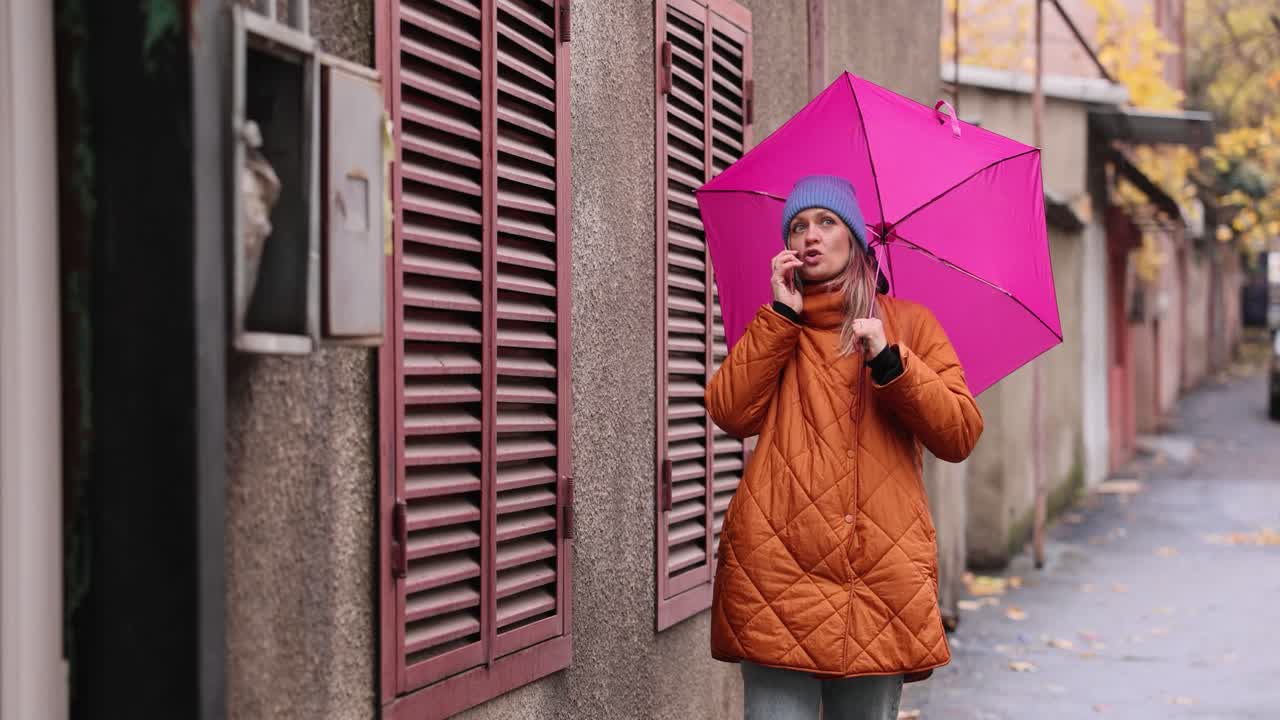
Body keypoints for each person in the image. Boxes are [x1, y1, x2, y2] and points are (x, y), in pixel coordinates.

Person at [705, 175, 984, 719]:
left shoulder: (909, 325)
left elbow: (959, 434)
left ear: (855, 239)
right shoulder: (777, 325)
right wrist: (780, 317)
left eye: (826, 222)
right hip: (777, 574)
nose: (810, 235)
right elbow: (730, 412)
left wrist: (891, 361)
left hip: (879, 574)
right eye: (798, 226)